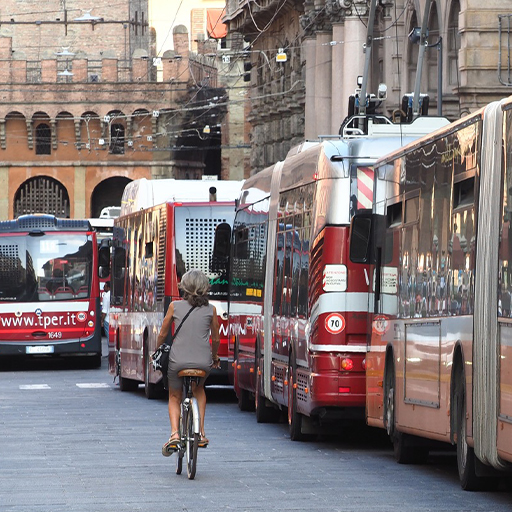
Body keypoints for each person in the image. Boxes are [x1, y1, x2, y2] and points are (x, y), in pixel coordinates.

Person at [157, 269, 220, 456]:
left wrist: (157, 349)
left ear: (184, 287)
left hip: (177, 361)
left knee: (174, 396)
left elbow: (163, 333)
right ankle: (200, 433)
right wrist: (215, 357)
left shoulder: (175, 307)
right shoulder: (211, 310)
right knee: (199, 390)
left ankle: (175, 434)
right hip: (202, 362)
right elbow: (215, 339)